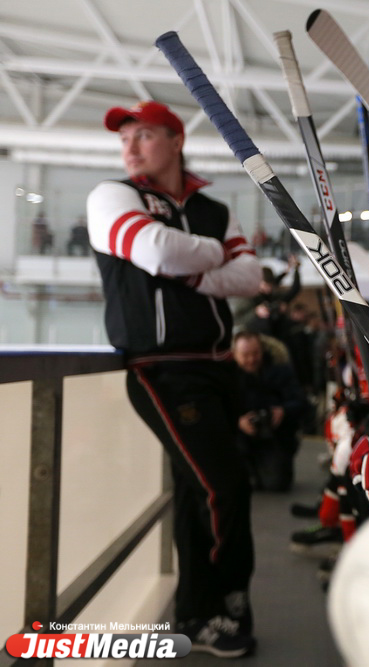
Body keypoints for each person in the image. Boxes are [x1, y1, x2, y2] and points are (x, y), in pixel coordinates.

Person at [87, 100, 261, 657]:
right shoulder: (111, 196)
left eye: (143, 136)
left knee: (198, 490)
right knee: (222, 486)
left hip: (217, 364)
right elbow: (157, 252)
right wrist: (211, 257)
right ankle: (224, 598)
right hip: (159, 369)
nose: (130, 148)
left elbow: (250, 275)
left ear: (176, 139)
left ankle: (195, 611)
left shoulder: (211, 206)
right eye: (125, 139)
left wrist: (193, 270)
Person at [233, 331, 306, 493]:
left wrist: (283, 411)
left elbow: (301, 402)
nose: (251, 359)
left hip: (275, 437)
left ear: (262, 350)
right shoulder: (227, 376)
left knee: (276, 484)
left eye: (255, 353)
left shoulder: (280, 370)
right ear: (235, 355)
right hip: (238, 439)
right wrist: (238, 421)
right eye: (245, 355)